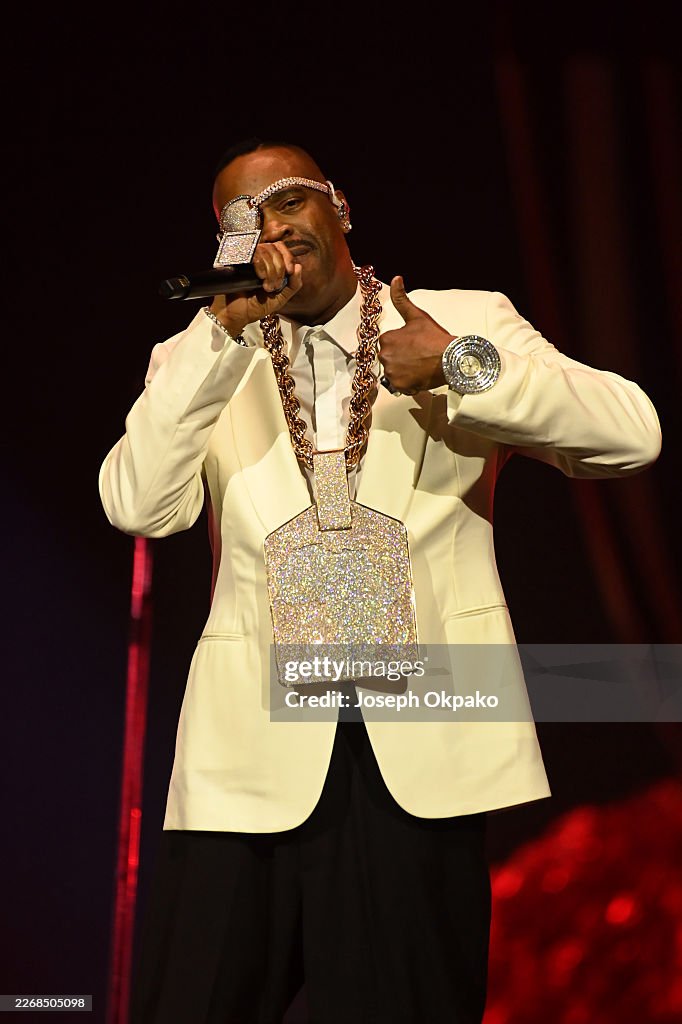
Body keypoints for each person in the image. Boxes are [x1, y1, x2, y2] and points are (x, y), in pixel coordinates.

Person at [99, 139, 661, 1024]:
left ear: (341, 208)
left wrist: (460, 366)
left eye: (287, 201)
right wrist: (217, 341)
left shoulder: (458, 319)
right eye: (243, 220)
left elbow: (633, 435)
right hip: (246, 755)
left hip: (420, 746)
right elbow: (138, 504)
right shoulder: (201, 355)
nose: (271, 228)